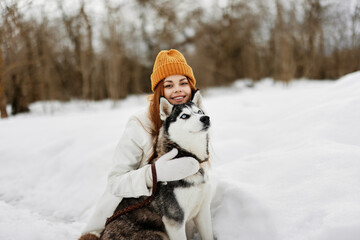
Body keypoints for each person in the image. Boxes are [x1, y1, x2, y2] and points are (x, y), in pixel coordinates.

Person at [79, 49, 201, 240]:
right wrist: (154, 174)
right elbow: (115, 183)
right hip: (134, 221)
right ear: (160, 91)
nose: (178, 89)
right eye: (169, 85)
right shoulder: (140, 124)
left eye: (183, 83)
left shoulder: (196, 121)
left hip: (174, 221)